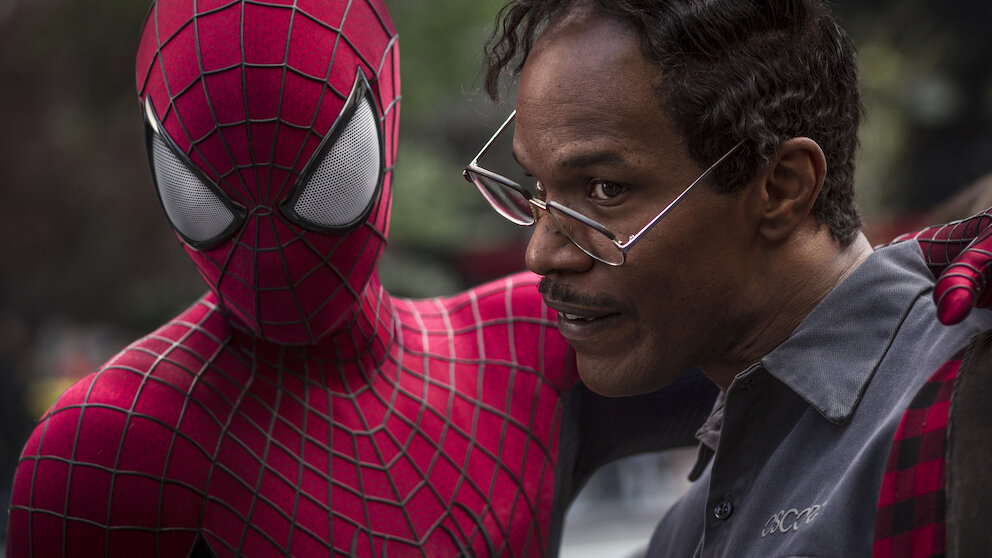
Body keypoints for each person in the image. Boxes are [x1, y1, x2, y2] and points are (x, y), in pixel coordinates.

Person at [5, 1, 719, 556]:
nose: (272, 249)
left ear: (385, 105)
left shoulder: (533, 344)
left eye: (322, 182)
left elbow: (775, 346)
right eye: (208, 199)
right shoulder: (114, 444)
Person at [463, 0, 992, 555]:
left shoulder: (960, 397)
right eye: (539, 191)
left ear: (782, 188)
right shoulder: (686, 530)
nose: (541, 253)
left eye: (605, 190)